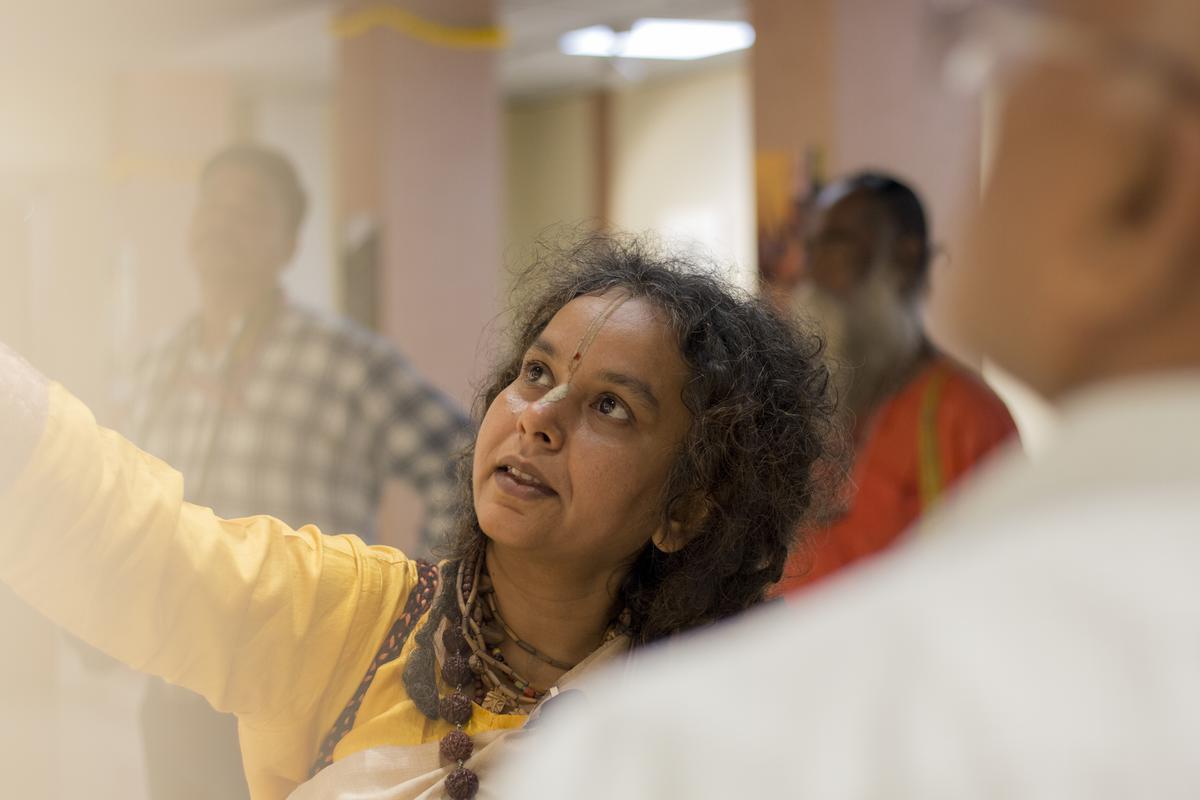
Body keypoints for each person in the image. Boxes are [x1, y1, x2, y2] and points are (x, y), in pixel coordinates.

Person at [491, 0, 1200, 796]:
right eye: (536, 373)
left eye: (995, 52)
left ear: (1142, 185)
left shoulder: (678, 753)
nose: (813, 269)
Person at [0, 234, 838, 799]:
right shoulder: (359, 618)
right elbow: (134, 543)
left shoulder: (710, 736)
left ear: (686, 509)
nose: (539, 416)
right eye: (536, 372)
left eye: (612, 407)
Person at [118, 142, 473, 799]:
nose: (223, 222)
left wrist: (422, 610)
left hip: (299, 689)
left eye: (249, 210)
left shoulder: (345, 359)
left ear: (288, 244)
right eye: (213, 204)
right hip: (173, 685)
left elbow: (462, 460)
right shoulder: (156, 366)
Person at [776, 171, 1017, 592]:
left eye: (834, 242)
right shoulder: (804, 404)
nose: (808, 268)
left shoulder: (967, 419)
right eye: (809, 245)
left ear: (904, 259)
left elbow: (994, 588)